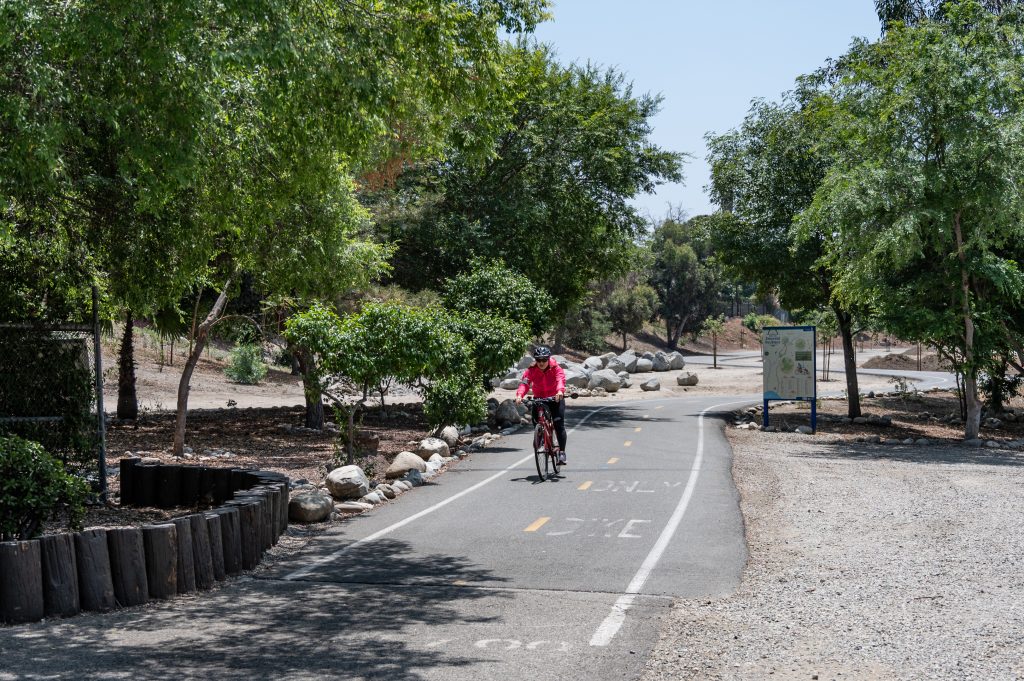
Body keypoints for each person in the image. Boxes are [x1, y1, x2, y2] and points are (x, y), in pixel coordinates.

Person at [515, 346, 568, 464]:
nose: (541, 363)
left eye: (544, 360)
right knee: (536, 421)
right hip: (540, 398)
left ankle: (562, 453)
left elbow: (561, 379)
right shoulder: (532, 370)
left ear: (548, 359)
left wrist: (560, 391)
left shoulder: (555, 368)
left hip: (555, 398)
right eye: (538, 360)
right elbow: (525, 383)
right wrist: (519, 395)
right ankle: (540, 437)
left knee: (559, 424)